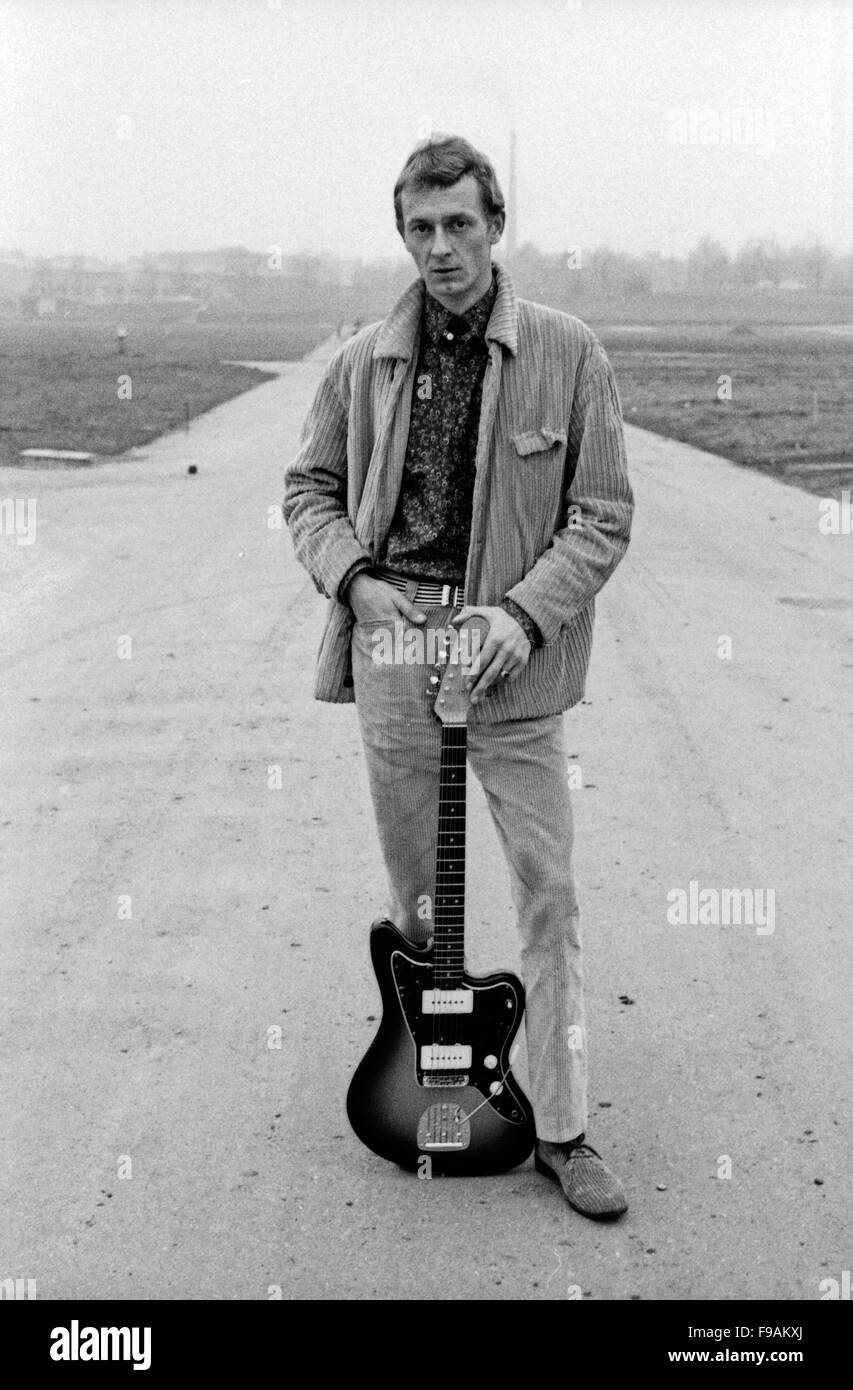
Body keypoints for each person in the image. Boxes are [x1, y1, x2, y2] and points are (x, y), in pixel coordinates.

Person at [283, 134, 634, 1220]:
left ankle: (564, 1128)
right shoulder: (363, 362)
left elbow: (602, 512)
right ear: (404, 235)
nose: (440, 249)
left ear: (495, 226)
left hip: (508, 659)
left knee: (549, 892)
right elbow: (308, 492)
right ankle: (445, 1086)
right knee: (420, 909)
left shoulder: (569, 354)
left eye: (459, 225)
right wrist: (356, 583)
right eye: (420, 229)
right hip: (395, 647)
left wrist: (524, 616)